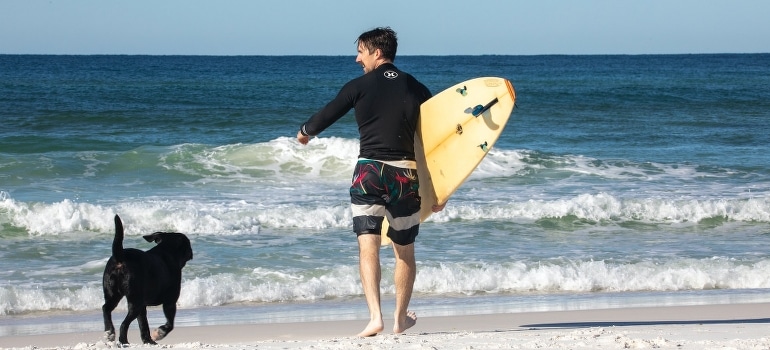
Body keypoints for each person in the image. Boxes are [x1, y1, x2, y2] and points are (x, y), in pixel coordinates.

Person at [296, 27, 445, 337]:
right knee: (404, 250)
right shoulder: (416, 88)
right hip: (404, 175)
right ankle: (400, 319)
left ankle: (375, 316)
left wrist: (305, 132)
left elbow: (327, 114)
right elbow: (435, 140)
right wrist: (441, 188)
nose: (357, 58)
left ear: (377, 53)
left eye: (361, 51)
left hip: (368, 174)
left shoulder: (359, 86)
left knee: (368, 248)